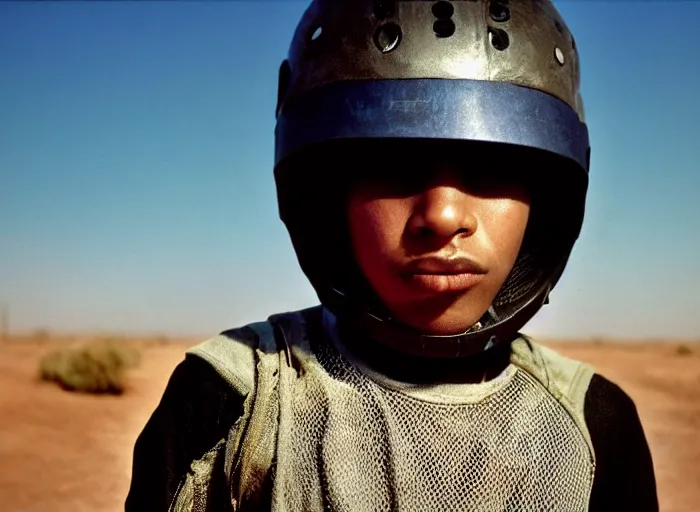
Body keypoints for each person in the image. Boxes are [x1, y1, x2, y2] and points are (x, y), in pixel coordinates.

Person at [126, 1, 659, 510]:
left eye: (494, 164)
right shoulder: (235, 399)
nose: (444, 215)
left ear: (545, 200)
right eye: (393, 165)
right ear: (326, 195)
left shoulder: (593, 423)